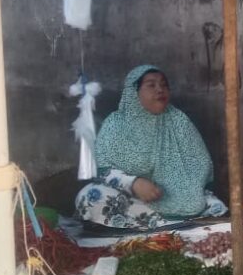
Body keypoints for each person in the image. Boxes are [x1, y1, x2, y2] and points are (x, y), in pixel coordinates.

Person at [75, 65, 227, 229]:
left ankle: (163, 226)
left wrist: (179, 186)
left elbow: (201, 163)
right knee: (90, 196)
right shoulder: (115, 124)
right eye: (151, 85)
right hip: (133, 200)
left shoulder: (178, 120)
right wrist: (134, 183)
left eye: (164, 85)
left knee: (216, 206)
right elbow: (102, 170)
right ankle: (170, 226)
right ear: (133, 92)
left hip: (181, 198)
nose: (160, 90)